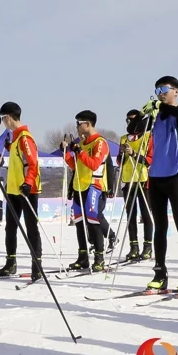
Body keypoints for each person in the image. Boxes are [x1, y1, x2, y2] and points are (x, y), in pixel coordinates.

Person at [141, 76, 178, 292]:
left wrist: (160, 106)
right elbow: (136, 128)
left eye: (164, 89)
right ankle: (160, 273)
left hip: (175, 174)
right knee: (160, 227)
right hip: (156, 176)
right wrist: (144, 113)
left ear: (176, 91)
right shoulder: (158, 115)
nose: (160, 93)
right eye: (157, 90)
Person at [0, 102, 43, 279]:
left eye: (3, 119)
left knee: (31, 227)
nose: (3, 122)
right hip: (14, 190)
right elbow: (19, 160)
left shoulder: (24, 137)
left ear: (8, 117)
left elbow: (33, 163)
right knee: (10, 227)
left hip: (26, 190)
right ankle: (10, 262)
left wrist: (28, 182)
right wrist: (9, 148)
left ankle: (36, 264)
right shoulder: (16, 138)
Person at [62, 110, 110, 272]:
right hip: (78, 187)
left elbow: (94, 164)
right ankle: (83, 257)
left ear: (88, 124)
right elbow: (76, 165)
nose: (76, 127)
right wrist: (67, 153)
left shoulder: (100, 142)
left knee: (93, 221)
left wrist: (79, 152)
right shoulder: (82, 143)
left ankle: (99, 257)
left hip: (93, 186)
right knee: (79, 223)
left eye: (79, 123)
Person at [117, 109, 153, 261]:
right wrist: (123, 154)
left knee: (146, 214)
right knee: (130, 214)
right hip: (127, 179)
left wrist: (133, 153)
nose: (129, 123)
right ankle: (134, 246)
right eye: (127, 120)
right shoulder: (124, 138)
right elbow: (119, 161)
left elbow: (150, 160)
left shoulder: (148, 136)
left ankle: (148, 246)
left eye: (131, 120)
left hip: (143, 179)